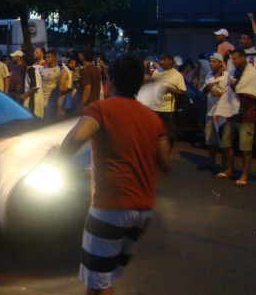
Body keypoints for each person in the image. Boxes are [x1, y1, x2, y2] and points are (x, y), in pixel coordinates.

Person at [57, 54, 171, 295]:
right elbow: (165, 161)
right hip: (142, 212)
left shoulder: (100, 109)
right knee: (99, 279)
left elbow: (77, 137)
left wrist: (57, 159)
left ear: (111, 82)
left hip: (110, 209)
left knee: (101, 284)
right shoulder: (153, 119)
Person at [216, 48, 256, 186]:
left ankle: (244, 175)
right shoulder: (233, 72)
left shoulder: (252, 73)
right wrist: (222, 108)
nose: (234, 61)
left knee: (245, 147)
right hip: (232, 114)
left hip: (246, 115)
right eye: (232, 59)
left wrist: (239, 87)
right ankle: (230, 169)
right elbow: (228, 92)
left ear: (243, 57)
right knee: (226, 143)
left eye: (235, 59)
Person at [201, 53, 238, 169]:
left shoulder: (227, 76)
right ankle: (211, 160)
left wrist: (220, 93)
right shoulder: (209, 75)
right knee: (210, 138)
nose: (211, 64)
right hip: (210, 111)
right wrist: (209, 86)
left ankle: (224, 163)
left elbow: (233, 92)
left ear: (221, 63)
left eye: (214, 62)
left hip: (222, 112)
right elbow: (204, 91)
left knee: (223, 139)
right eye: (210, 62)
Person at [145, 52, 186, 146]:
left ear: (170, 61)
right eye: (161, 59)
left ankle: (165, 155)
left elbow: (183, 92)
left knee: (168, 136)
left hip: (168, 111)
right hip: (154, 109)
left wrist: (169, 89)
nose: (161, 62)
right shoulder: (156, 72)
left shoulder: (177, 75)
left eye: (164, 60)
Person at [20, 54, 44, 118]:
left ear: (25, 62)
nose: (21, 62)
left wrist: (24, 95)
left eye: (22, 60)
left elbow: (34, 87)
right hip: (31, 102)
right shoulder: (30, 70)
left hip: (33, 104)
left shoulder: (32, 71)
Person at [40, 50, 61, 119]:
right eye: (46, 57)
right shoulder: (43, 69)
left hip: (52, 100)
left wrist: (56, 102)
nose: (46, 59)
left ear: (54, 58)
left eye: (48, 57)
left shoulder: (58, 70)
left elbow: (59, 87)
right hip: (42, 99)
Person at [57, 53, 78, 117]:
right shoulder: (65, 71)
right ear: (73, 62)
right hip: (64, 103)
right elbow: (61, 88)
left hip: (67, 102)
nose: (76, 66)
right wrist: (70, 89)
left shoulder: (68, 70)